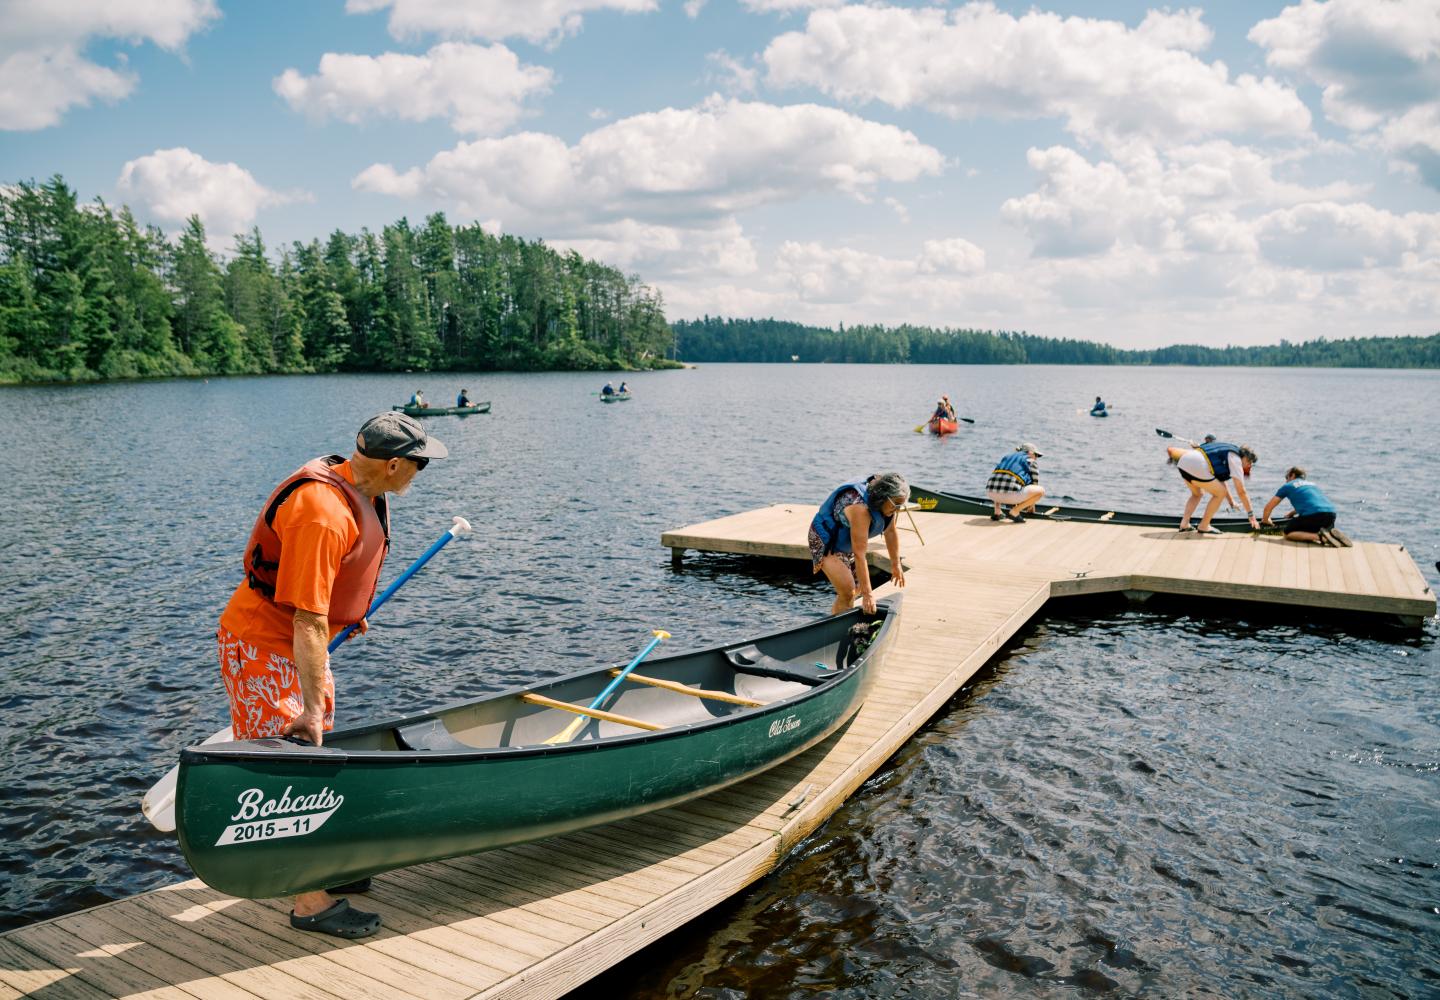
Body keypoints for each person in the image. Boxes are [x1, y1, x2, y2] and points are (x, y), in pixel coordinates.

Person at [216, 411, 447, 939]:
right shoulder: (320, 511)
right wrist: (312, 706)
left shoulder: (360, 484)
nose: (420, 474)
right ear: (392, 464)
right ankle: (308, 901)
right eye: (419, 465)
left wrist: (349, 607)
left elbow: (328, 589)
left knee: (311, 756)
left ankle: (326, 866)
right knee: (288, 772)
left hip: (299, 644)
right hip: (265, 647)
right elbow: (306, 616)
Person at [808, 473, 909, 616]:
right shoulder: (860, 508)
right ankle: (838, 628)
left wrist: (895, 564)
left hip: (846, 540)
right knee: (848, 590)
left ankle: (838, 616)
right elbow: (860, 554)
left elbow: (890, 532)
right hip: (826, 541)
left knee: (857, 588)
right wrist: (868, 595)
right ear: (883, 497)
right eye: (896, 505)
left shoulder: (888, 506)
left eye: (901, 505)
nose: (898, 509)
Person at [1174, 439, 1258, 534]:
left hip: (1183, 461)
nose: (1249, 466)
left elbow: (1220, 481)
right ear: (1246, 458)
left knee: (1197, 494)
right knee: (1220, 493)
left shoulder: (1227, 450)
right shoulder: (1236, 459)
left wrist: (1231, 502)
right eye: (1250, 463)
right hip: (1197, 464)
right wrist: (1251, 516)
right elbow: (1241, 491)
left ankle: (1184, 524)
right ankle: (1204, 525)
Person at [1262, 467, 1342, 544]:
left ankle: (1321, 537)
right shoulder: (1312, 485)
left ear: (1292, 475)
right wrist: (1291, 513)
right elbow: (1312, 503)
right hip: (1331, 515)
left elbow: (1268, 508)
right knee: (1308, 526)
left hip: (1315, 516)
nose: (1286, 481)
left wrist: (1265, 520)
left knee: (1288, 533)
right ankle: (1331, 535)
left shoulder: (1288, 486)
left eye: (1287, 477)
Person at [986, 443, 1046, 523]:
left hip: (991, 494)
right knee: (1041, 491)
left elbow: (998, 478)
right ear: (1030, 453)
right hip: (1010, 495)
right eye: (1036, 455)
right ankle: (1014, 512)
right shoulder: (1031, 461)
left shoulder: (1006, 457)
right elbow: (1034, 484)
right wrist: (1031, 506)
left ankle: (997, 512)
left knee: (1000, 479)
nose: (1036, 458)